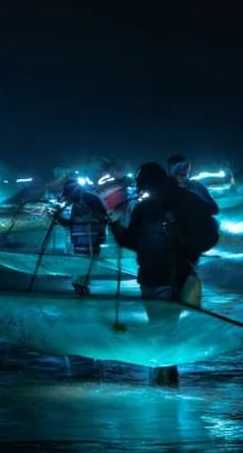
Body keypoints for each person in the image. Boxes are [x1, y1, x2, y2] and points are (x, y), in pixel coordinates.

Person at [109, 162, 218, 386]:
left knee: (163, 326)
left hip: (170, 275)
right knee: (162, 326)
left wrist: (182, 238)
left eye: (143, 186)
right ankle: (165, 374)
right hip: (157, 275)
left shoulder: (184, 201)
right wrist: (118, 233)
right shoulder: (146, 207)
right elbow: (134, 241)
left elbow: (208, 236)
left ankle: (164, 376)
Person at [57, 178, 110, 294]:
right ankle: (80, 283)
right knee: (85, 261)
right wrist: (57, 217)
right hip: (80, 239)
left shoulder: (90, 199)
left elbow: (102, 218)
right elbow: (70, 224)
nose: (68, 197)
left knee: (87, 261)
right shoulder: (76, 203)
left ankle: (81, 283)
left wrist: (101, 233)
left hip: (91, 237)